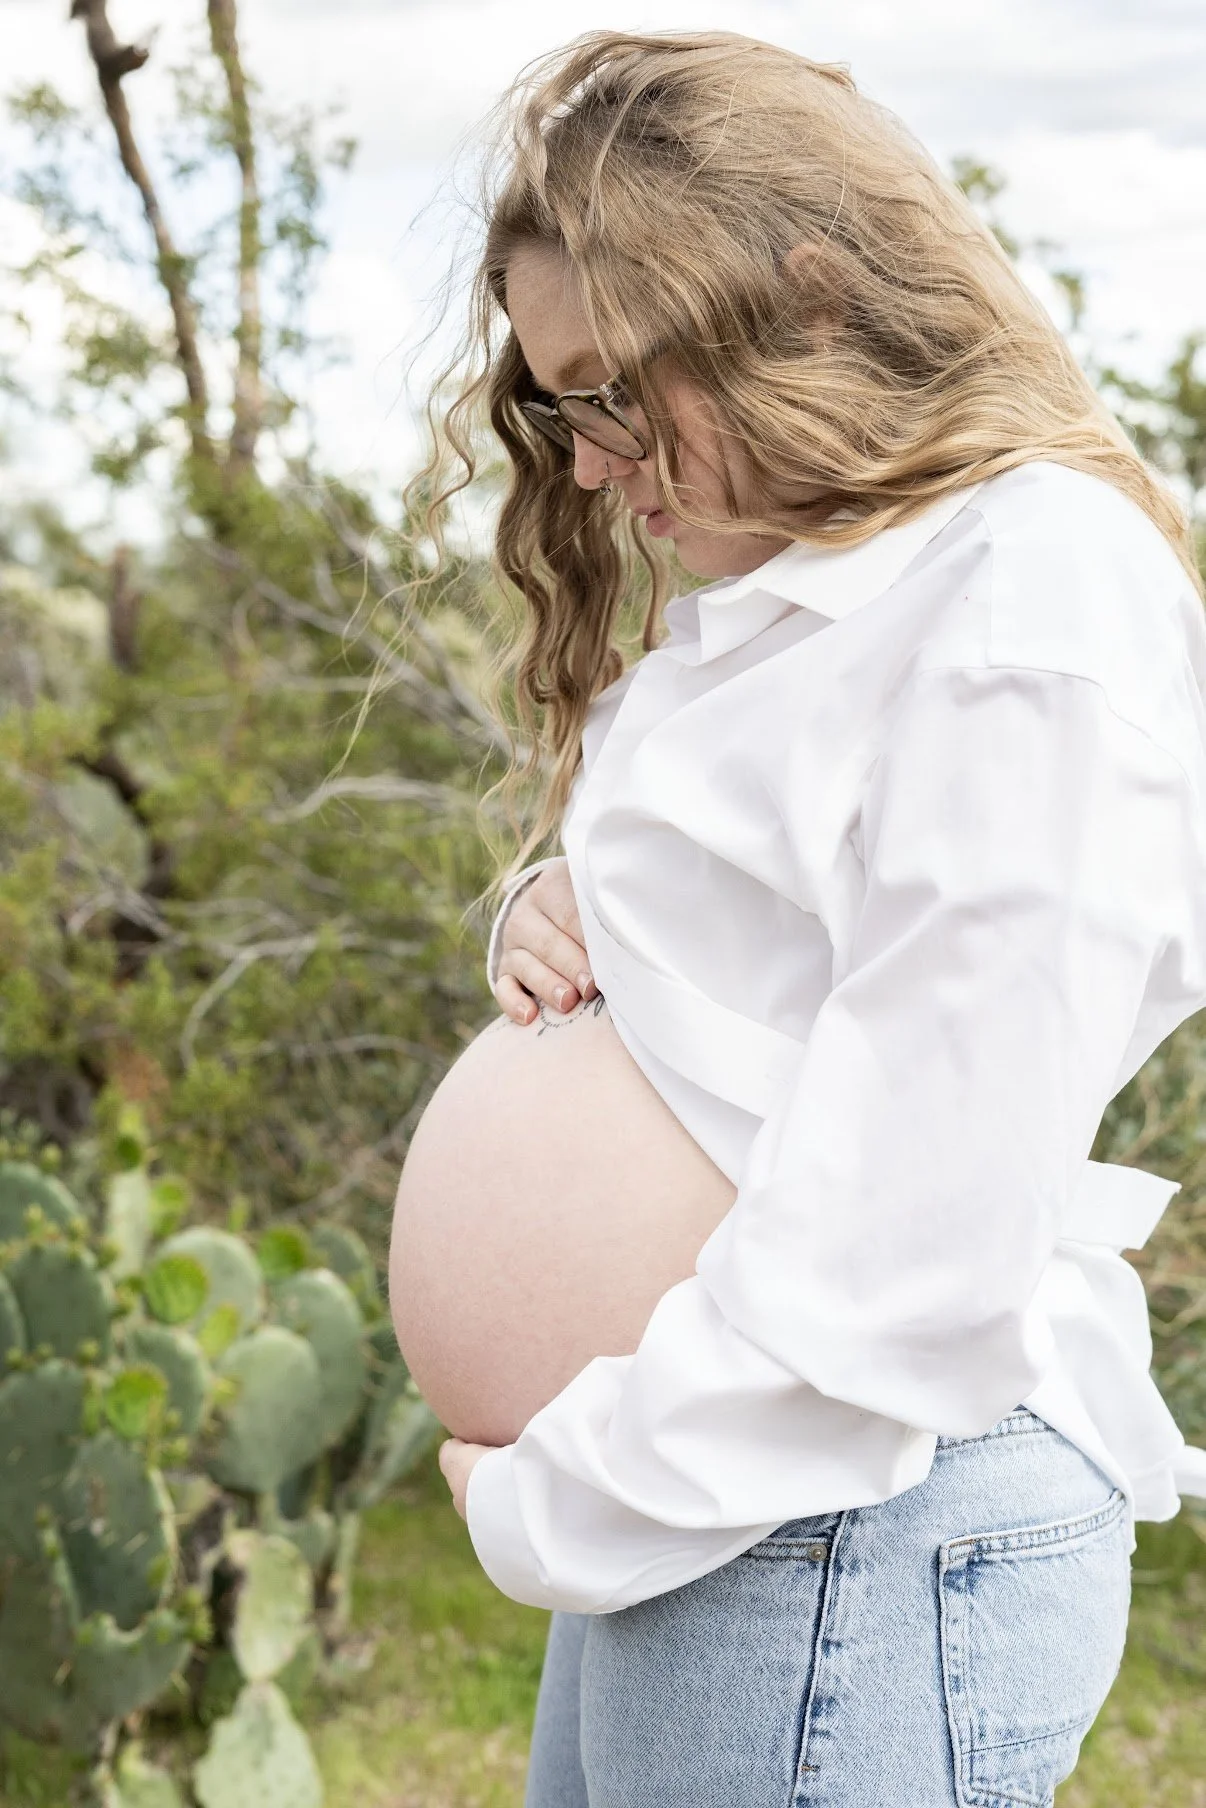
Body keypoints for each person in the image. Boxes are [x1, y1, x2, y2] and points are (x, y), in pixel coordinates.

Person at [419, 29, 1206, 1807]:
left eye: (608, 388)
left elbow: (910, 1245)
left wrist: (557, 1497)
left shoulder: (1029, 592)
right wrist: (548, 915)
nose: (590, 460)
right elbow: (751, 954)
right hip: (720, 1496)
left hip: (837, 1510)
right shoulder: (807, 581)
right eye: (557, 405)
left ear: (804, 295)